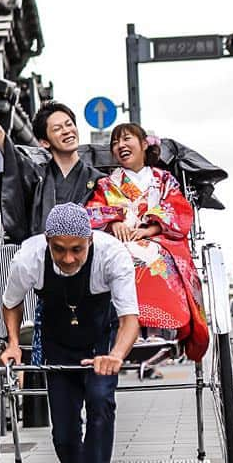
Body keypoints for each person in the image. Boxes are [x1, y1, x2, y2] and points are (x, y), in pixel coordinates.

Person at [0, 203, 140, 463]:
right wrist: (14, 344)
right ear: (47, 241)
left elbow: (129, 319)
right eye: (59, 249)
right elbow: (11, 302)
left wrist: (115, 356)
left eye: (77, 249)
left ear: (90, 239)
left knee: (100, 403)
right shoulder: (28, 259)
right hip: (57, 340)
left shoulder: (112, 256)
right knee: (64, 434)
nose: (67, 259)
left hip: (101, 340)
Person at [85, 122, 209, 362]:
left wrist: (150, 229)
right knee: (121, 258)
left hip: (160, 240)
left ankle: (157, 329)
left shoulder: (163, 179)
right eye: (115, 142)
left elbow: (178, 209)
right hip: (119, 241)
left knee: (154, 257)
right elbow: (94, 211)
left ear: (144, 144)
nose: (120, 145)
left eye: (127, 139)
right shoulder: (106, 184)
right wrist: (114, 223)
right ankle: (126, 329)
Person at [0, 101, 105, 243]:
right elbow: (15, 166)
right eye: (57, 128)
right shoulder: (37, 176)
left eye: (69, 124)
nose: (66, 131)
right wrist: (0, 137)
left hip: (87, 255)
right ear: (45, 142)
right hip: (41, 254)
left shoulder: (98, 180)